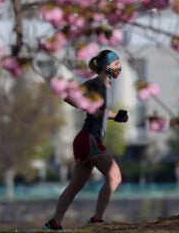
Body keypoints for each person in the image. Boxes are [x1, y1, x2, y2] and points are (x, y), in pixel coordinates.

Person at [44, 49, 128, 230]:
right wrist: (90, 109)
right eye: (116, 63)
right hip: (89, 138)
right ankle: (97, 219)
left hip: (87, 140)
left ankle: (54, 223)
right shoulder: (95, 83)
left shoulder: (107, 86)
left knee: (75, 185)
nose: (118, 67)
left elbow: (102, 112)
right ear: (106, 65)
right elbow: (67, 96)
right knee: (115, 176)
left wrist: (115, 117)